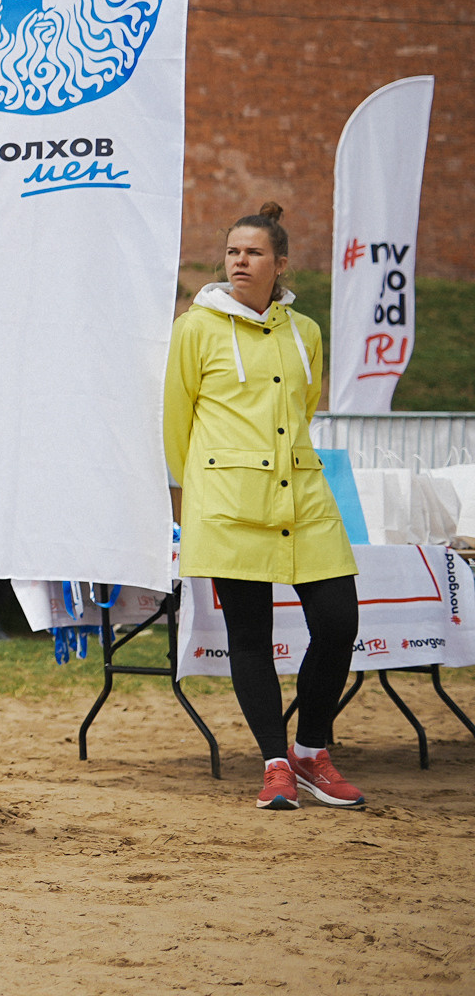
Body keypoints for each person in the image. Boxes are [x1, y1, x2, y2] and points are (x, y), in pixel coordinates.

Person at [166, 201, 361, 812]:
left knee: (338, 624)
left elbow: (303, 410)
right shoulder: (195, 329)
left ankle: (311, 751)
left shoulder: (306, 333)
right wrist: (180, 496)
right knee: (251, 636)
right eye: (232, 252)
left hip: (305, 499)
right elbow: (176, 418)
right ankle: (276, 765)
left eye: (253, 253)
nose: (240, 262)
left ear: (280, 263)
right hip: (229, 506)